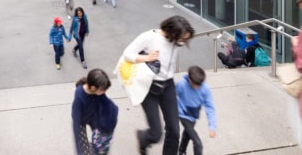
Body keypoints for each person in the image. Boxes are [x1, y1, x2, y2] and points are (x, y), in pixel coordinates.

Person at [122, 15, 195, 155]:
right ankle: (143, 138)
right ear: (172, 33)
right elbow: (127, 54)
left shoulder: (176, 41)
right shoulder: (150, 37)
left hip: (168, 85)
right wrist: (147, 58)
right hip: (148, 86)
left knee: (174, 130)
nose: (183, 42)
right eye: (182, 38)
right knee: (156, 134)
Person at [71, 69, 118, 155]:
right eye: (102, 90)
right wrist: (80, 149)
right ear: (93, 88)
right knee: (83, 150)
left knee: (100, 146)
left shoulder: (97, 92)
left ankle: (94, 149)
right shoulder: (79, 96)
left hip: (94, 116)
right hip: (81, 121)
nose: (104, 92)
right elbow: (76, 123)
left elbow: (107, 103)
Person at [176, 66, 217, 155]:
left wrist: (212, 127)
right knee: (197, 143)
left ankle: (181, 151)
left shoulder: (205, 89)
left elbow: (210, 108)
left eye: (199, 84)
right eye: (195, 84)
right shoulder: (181, 84)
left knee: (187, 134)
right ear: (189, 79)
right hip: (182, 114)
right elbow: (171, 96)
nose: (197, 87)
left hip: (194, 115)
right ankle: (182, 151)